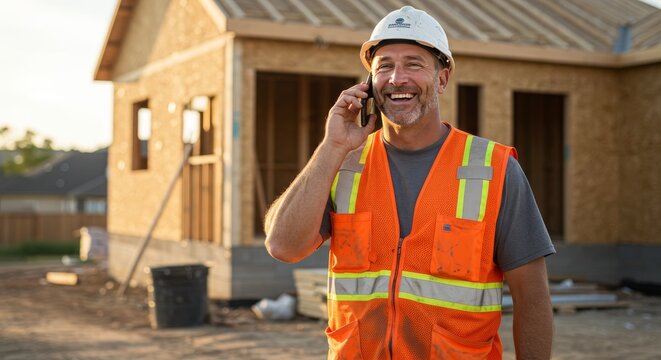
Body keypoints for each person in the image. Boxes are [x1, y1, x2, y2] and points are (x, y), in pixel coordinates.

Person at [265, 6, 555, 360]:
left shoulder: (494, 169)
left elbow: (533, 297)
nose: (396, 78)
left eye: (414, 64)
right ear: (369, 83)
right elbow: (282, 245)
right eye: (384, 65)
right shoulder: (343, 164)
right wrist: (332, 147)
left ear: (443, 78)